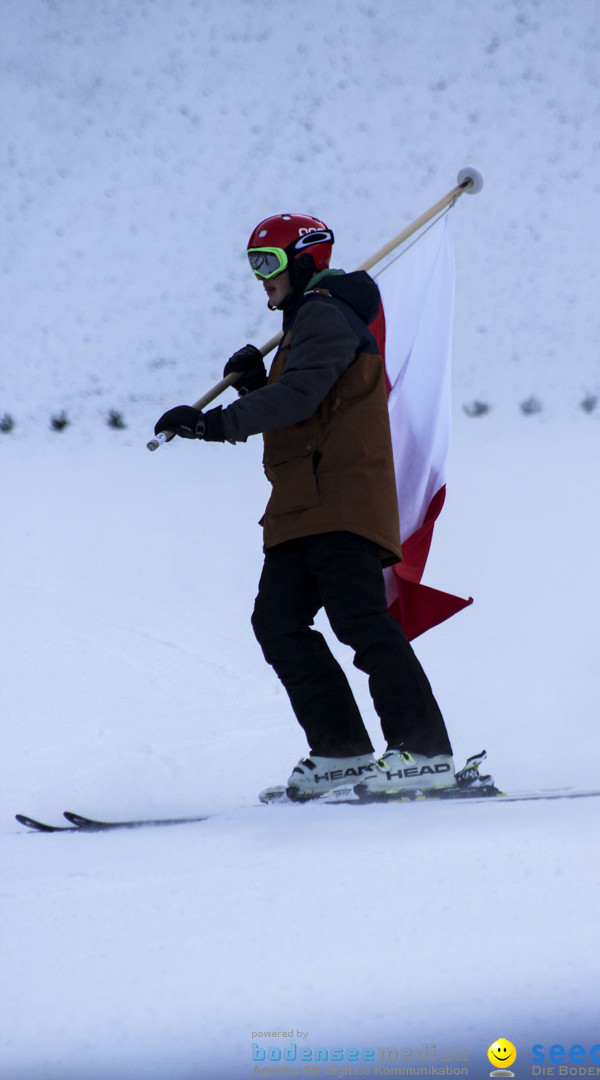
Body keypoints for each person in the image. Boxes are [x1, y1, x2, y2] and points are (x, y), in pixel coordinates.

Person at [154, 213, 454, 799]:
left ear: (305, 260)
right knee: (277, 622)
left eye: (269, 264)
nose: (261, 279)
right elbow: (308, 410)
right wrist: (252, 386)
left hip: (341, 499)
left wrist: (215, 423)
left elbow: (299, 398)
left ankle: (424, 750)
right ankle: (341, 751)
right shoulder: (307, 323)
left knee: (360, 620)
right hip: (302, 503)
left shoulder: (325, 313)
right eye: (253, 266)